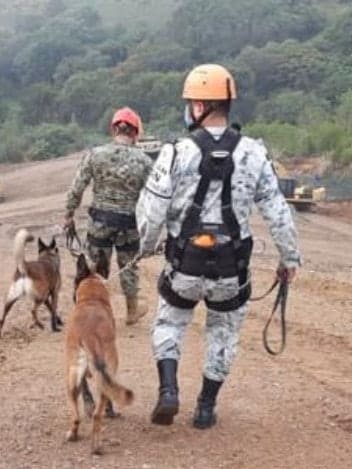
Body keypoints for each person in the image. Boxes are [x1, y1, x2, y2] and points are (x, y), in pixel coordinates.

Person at [135, 64, 301, 429]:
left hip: (184, 264)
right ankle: (206, 408)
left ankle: (168, 391)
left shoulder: (175, 152)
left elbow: (152, 208)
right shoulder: (255, 153)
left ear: (199, 106)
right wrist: (288, 258)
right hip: (231, 268)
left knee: (169, 322)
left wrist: (145, 246)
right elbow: (277, 211)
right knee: (223, 333)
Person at [64, 107, 154, 325]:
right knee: (128, 267)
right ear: (135, 132)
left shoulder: (95, 155)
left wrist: (69, 214)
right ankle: (131, 311)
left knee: (92, 266)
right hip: (129, 223)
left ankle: (86, 309)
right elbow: (154, 196)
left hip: (100, 221)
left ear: (114, 129)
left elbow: (77, 187)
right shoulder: (144, 161)